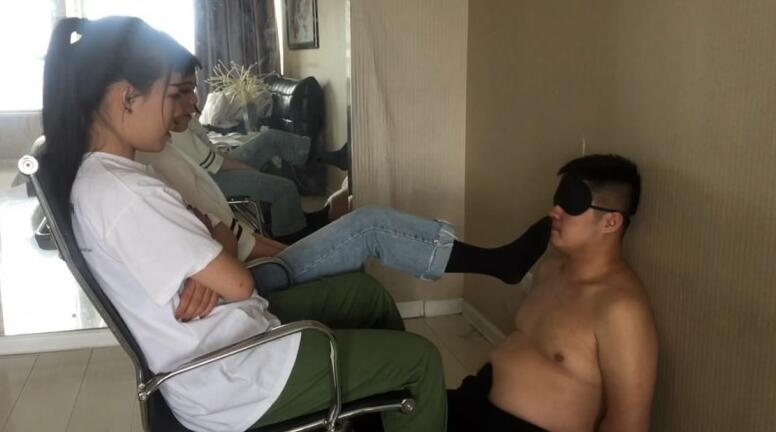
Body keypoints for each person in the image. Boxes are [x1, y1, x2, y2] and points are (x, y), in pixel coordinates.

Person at [42, 16, 551, 432]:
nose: (183, 108)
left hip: (229, 339)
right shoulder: (127, 191)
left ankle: (384, 410)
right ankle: (404, 398)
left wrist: (211, 254)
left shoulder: (110, 177)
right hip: (237, 375)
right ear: (127, 97)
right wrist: (215, 246)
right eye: (171, 94)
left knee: (368, 296)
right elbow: (237, 279)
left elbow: (215, 261)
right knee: (421, 360)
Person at [447, 154, 658, 432]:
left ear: (610, 222)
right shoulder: (549, 271)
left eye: (571, 203)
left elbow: (629, 423)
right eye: (558, 200)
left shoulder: (621, 310)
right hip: (473, 402)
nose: (554, 212)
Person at [170, 62, 350, 242]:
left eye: (193, 89)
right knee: (284, 187)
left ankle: (331, 158)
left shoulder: (183, 117)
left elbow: (211, 153)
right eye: (186, 90)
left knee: (271, 138)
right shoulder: (176, 129)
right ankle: (291, 238)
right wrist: (249, 169)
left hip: (216, 163)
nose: (194, 98)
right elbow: (217, 164)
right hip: (211, 179)